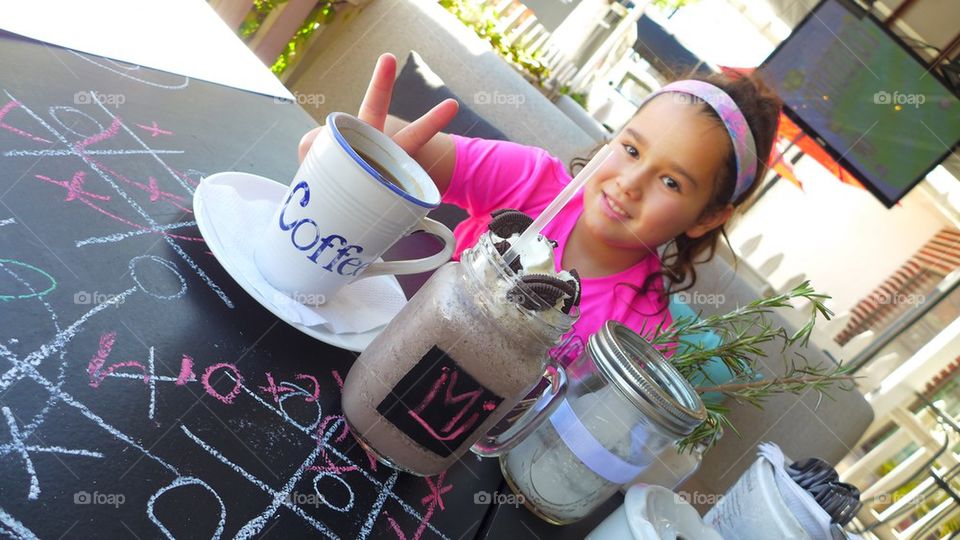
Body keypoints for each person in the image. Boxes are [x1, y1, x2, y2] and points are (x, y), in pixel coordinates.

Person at [297, 53, 783, 365]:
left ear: (705, 217)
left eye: (672, 181)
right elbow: (379, 155)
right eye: (631, 150)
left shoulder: (643, 334)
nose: (629, 183)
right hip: (371, 340)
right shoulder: (531, 181)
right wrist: (361, 160)